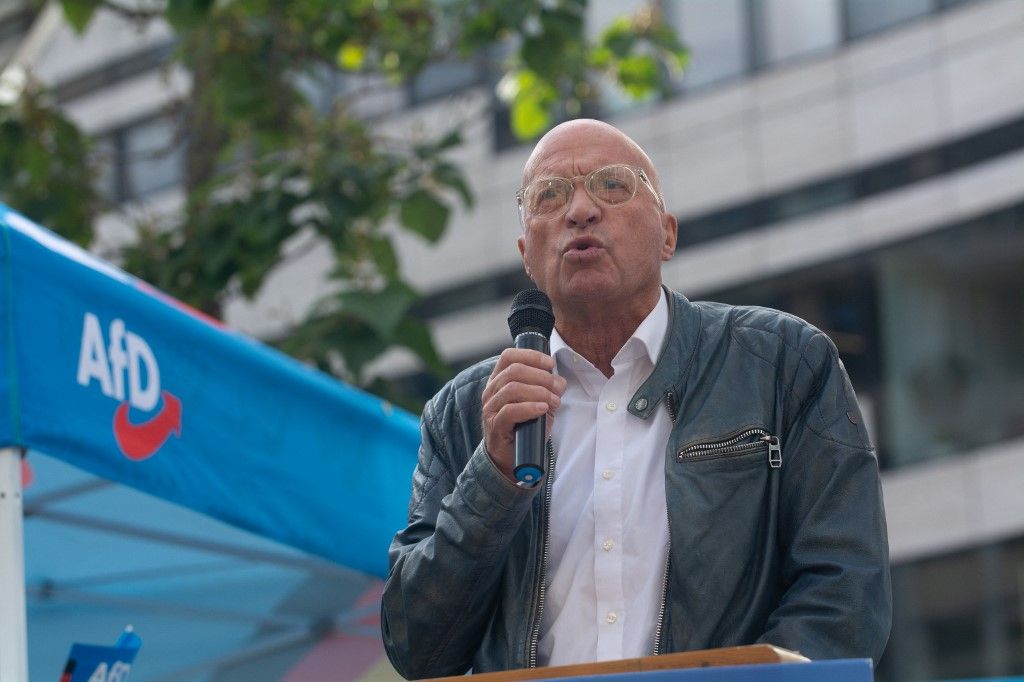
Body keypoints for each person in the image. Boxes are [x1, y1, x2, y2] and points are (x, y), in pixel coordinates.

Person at [381, 119, 891, 679]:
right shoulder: (464, 413)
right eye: (549, 196)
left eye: (612, 186)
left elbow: (845, 594)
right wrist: (493, 476)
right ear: (527, 254)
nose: (580, 210)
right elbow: (417, 647)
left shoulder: (782, 363)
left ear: (668, 234)